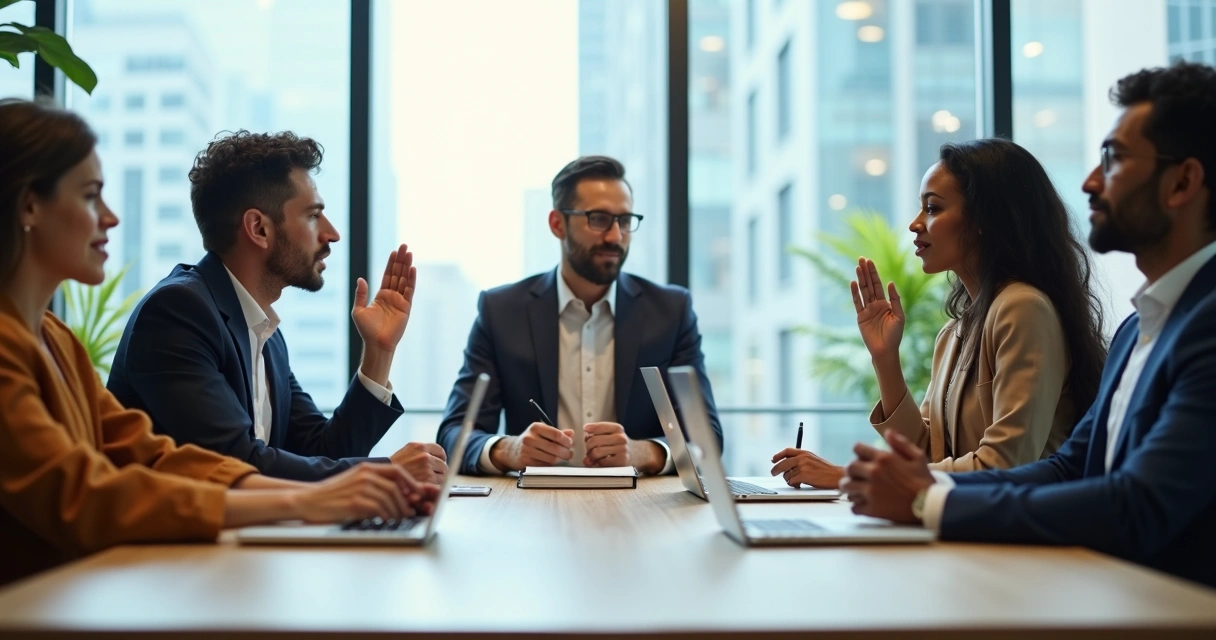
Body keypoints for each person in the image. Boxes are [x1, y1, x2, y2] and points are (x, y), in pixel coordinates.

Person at [0, 98, 437, 587]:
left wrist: (378, 355)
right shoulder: (178, 312)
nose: (111, 218)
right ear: (30, 206)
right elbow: (86, 492)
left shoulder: (57, 340)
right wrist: (314, 496)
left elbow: (158, 457)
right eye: (89, 196)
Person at [841, 62, 1216, 588]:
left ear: (1182, 182)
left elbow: (1136, 503)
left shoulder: (1206, 328)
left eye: (1113, 158)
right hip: (1111, 594)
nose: (1089, 181)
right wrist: (918, 489)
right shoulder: (1138, 331)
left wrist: (925, 499)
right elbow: (1068, 468)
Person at [106, 131, 448, 483]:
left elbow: (323, 452)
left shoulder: (265, 332)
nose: (332, 234)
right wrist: (388, 472)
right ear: (259, 229)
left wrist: (378, 351)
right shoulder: (177, 313)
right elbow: (237, 466)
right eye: (314, 216)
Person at [771, 139, 1107, 489]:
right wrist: (885, 359)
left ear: (984, 219)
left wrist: (849, 476)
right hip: (969, 526)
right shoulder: (955, 331)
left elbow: (1004, 465)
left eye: (932, 209)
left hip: (1015, 535)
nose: (915, 224)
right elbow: (925, 456)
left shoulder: (1022, 308)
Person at [437, 155, 722, 475]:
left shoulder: (670, 312)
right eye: (598, 219)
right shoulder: (502, 311)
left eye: (625, 220)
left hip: (641, 509)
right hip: (533, 509)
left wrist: (643, 452)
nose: (615, 236)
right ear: (557, 224)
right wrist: (509, 449)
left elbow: (707, 437)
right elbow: (454, 433)